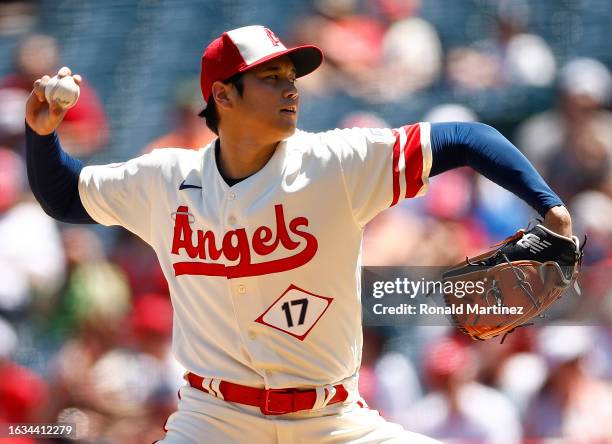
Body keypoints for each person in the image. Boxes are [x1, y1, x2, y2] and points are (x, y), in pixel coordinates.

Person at [25, 25, 573, 443]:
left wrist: (548, 206)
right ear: (223, 96)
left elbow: (465, 137)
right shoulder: (166, 179)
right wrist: (42, 134)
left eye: (292, 79)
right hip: (214, 421)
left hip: (332, 421)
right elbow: (63, 195)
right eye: (271, 79)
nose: (291, 90)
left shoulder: (334, 162)